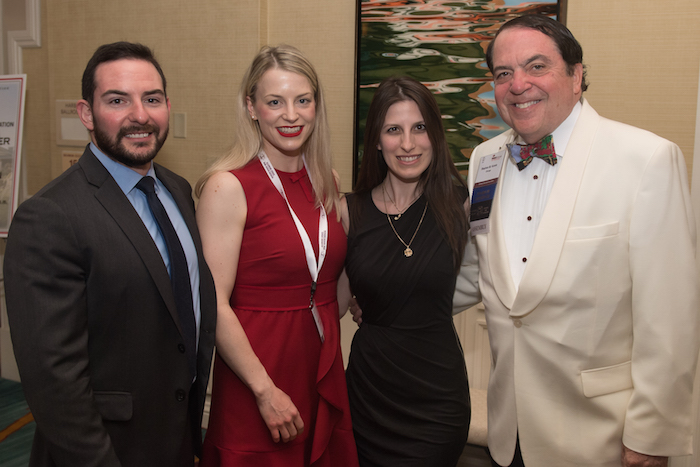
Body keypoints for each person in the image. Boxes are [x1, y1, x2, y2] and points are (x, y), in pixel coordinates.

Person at [460, 14, 700, 467]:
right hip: (508, 433)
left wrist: (651, 435)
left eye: (536, 66)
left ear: (576, 75)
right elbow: (481, 269)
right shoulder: (485, 159)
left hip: (601, 438)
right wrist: (385, 296)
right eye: (504, 73)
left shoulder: (646, 159)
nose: (518, 85)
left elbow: (669, 317)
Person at [4, 41, 216, 466]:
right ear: (87, 113)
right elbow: (55, 383)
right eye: (117, 100)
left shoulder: (177, 190)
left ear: (167, 106)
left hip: (174, 436)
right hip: (103, 449)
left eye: (151, 99)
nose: (140, 115)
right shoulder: (49, 216)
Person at [195, 44, 358, 466]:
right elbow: (213, 303)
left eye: (302, 100)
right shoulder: (227, 186)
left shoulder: (326, 181)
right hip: (258, 376)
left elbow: (327, 290)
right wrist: (264, 390)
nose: (291, 115)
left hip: (320, 368)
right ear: (252, 107)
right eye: (275, 102)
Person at [341, 76, 480, 466]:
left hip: (437, 404)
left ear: (435, 134)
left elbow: (495, 276)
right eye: (393, 130)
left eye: (419, 127)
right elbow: (327, 306)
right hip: (367, 399)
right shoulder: (348, 212)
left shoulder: (462, 206)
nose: (407, 143)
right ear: (376, 140)